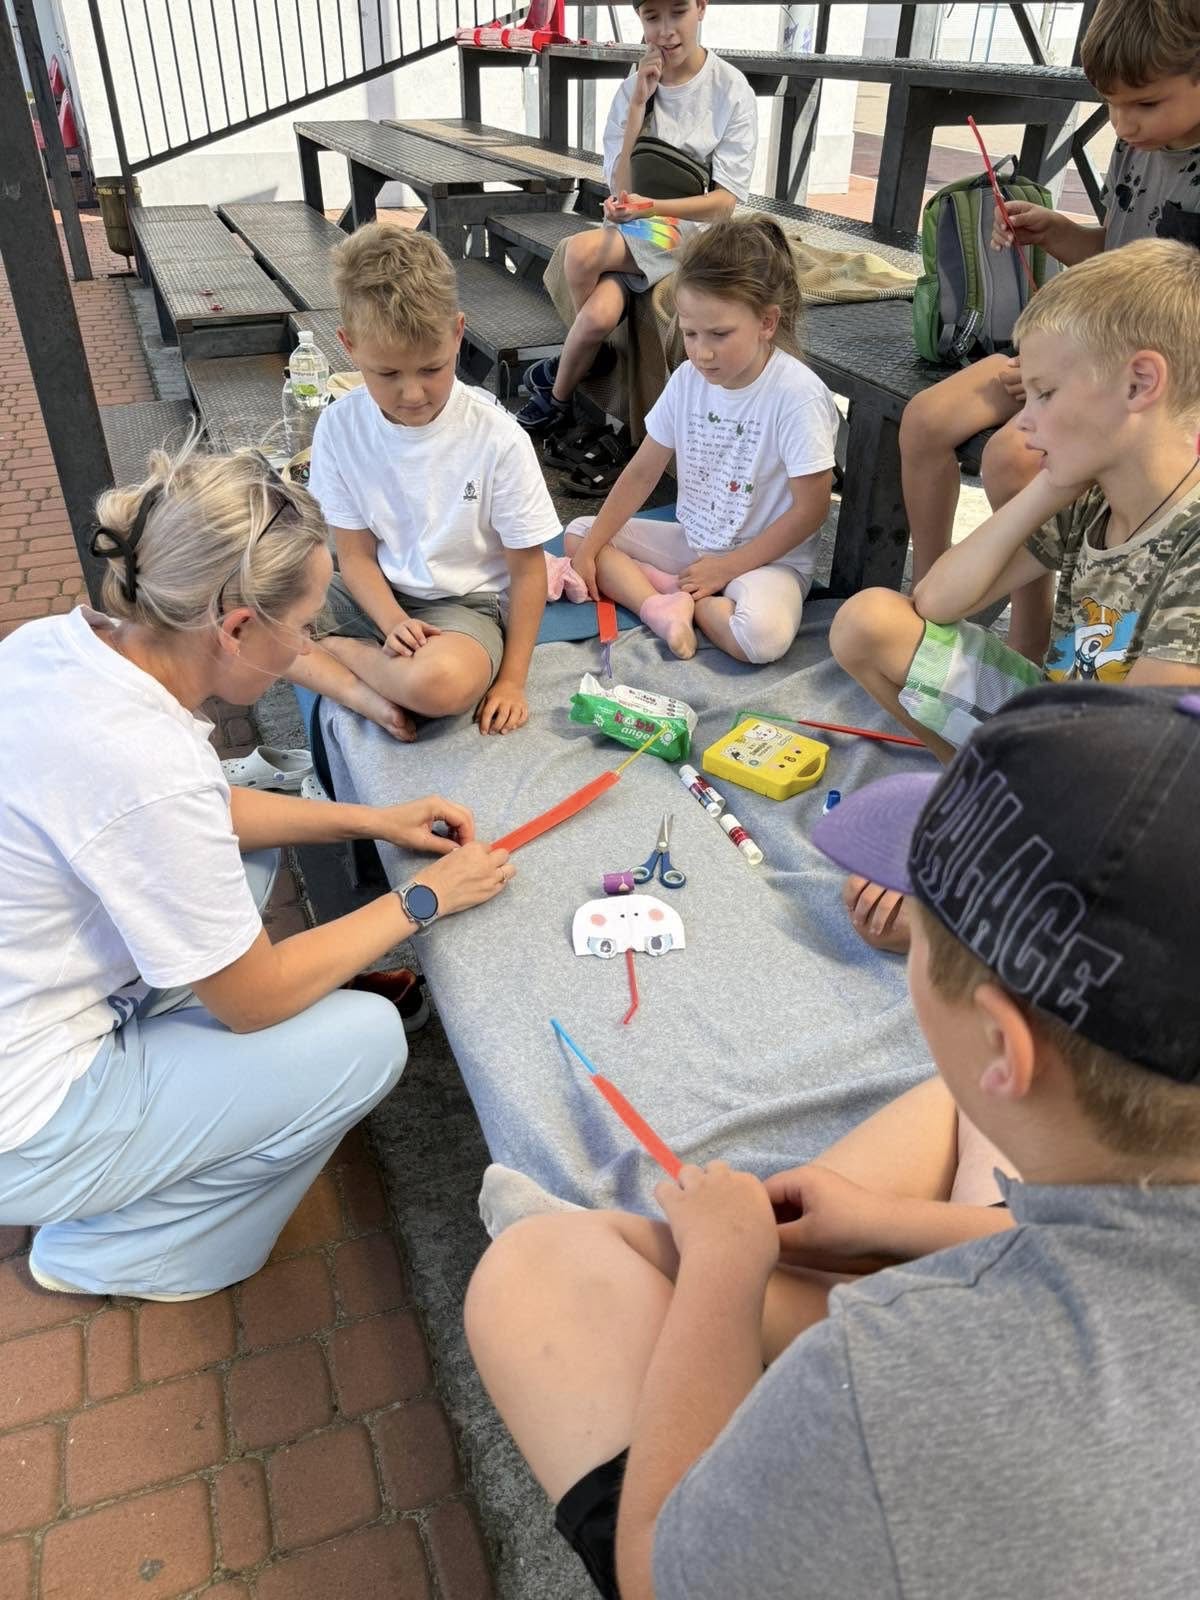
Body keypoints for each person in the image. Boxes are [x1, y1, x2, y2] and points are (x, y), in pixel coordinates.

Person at [466, 680, 1200, 1600]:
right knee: (933, 1125)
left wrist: (723, 1278)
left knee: (527, 1275)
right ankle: (655, 1254)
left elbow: (666, 1574)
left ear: (1002, 1043)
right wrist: (885, 1226)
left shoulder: (879, 1380)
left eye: (923, 934)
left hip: (820, 1494)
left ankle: (618, 1268)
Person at [0, 442, 515, 1302]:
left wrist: (373, 818)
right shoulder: (146, 764)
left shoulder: (58, 644)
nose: (310, 643)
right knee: (365, 1042)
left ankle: (143, 1110)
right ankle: (117, 1249)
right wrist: (424, 898)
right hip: (27, 1123)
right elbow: (254, 1001)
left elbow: (199, 815)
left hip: (26, 1012)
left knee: (247, 859)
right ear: (236, 628)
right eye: (305, 626)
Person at [831, 235, 1200, 952]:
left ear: (1139, 384)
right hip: (1060, 743)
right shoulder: (1089, 498)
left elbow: (1140, 765)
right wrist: (1047, 488)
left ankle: (1010, 879)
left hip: (1139, 798)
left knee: (941, 916)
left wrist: (977, 854)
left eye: (1046, 394)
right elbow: (936, 601)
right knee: (868, 622)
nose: (1024, 422)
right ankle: (987, 808)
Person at [898, 0, 1200, 664]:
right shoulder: (1137, 145)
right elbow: (1116, 250)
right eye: (1110, 104)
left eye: (1145, 103)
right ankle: (932, 595)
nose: (1123, 123)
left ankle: (1030, 638)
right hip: (1091, 349)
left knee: (1014, 458)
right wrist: (1057, 232)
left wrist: (1060, 387)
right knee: (926, 418)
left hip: (1158, 380)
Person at [291, 224, 562, 740]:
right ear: (348, 346)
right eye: (387, 374)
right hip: (373, 593)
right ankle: (364, 693)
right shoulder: (340, 426)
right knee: (238, 609)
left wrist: (512, 681)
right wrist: (392, 622)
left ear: (458, 333)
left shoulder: (497, 436)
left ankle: (332, 653)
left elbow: (528, 570)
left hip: (463, 607)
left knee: (441, 686)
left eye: (432, 368)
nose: (413, 394)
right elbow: (354, 556)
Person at [565, 216, 837, 663]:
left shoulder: (797, 395)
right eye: (690, 333)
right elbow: (641, 472)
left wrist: (727, 569)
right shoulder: (688, 380)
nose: (702, 352)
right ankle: (663, 605)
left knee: (760, 638)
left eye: (720, 334)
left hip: (766, 561)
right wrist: (592, 550)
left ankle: (697, 601)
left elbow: (812, 510)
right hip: (695, 545)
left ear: (767, 322)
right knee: (580, 535)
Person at [517, 0, 758, 439]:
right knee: (596, 317)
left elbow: (723, 205)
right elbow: (621, 186)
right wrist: (637, 106)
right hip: (640, 227)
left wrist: (651, 208)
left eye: (678, 12)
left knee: (580, 253)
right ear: (641, 20)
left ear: (701, 8)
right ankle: (560, 401)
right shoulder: (634, 85)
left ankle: (580, 367)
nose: (666, 30)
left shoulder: (729, 88)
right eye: (652, 17)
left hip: (692, 233)